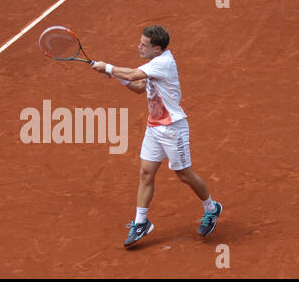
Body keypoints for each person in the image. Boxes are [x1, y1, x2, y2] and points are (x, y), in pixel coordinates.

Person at [92, 25, 222, 248]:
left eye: (144, 45)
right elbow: (139, 86)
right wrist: (115, 76)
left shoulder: (164, 63)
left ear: (157, 49)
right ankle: (141, 222)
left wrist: (109, 67)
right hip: (154, 127)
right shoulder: (155, 64)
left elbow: (133, 73)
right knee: (145, 173)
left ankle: (211, 208)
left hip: (173, 128)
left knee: (183, 175)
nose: (139, 47)